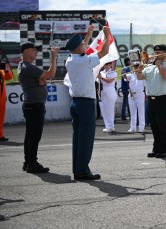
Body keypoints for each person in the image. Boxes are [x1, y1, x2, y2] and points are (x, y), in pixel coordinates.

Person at [64, 25, 110, 180]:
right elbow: (104, 52)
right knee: (86, 139)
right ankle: (82, 171)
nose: (86, 45)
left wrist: (89, 35)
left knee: (78, 138)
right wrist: (107, 34)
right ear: (78, 49)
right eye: (83, 45)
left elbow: (82, 49)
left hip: (76, 102)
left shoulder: (71, 59)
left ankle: (78, 169)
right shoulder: (84, 61)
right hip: (85, 103)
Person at [18, 42, 58, 173]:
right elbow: (51, 75)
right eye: (34, 50)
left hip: (32, 105)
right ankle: (32, 163)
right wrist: (53, 57)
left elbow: (44, 80)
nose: (36, 52)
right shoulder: (27, 67)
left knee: (30, 135)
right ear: (25, 51)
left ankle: (28, 161)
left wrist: (43, 80)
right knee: (34, 136)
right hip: (34, 105)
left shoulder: (24, 66)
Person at [136, 44, 166, 158]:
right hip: (151, 99)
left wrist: (159, 65)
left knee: (163, 125)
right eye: (156, 52)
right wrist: (139, 70)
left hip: (164, 98)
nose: (156, 54)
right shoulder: (149, 67)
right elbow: (140, 77)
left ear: (165, 55)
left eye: (159, 53)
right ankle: (156, 148)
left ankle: (163, 150)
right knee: (154, 126)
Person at [125, 62, 146, 133]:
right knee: (132, 112)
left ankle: (141, 127)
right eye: (134, 67)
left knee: (141, 111)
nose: (135, 68)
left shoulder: (142, 75)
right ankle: (132, 127)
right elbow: (125, 77)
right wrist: (124, 72)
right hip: (131, 94)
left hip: (139, 94)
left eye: (137, 66)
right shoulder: (131, 75)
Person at [97, 62, 117, 132]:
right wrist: (99, 77)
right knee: (104, 110)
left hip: (110, 90)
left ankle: (111, 126)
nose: (106, 66)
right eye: (105, 64)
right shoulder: (101, 72)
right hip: (102, 91)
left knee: (110, 110)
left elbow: (110, 81)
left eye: (107, 64)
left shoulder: (113, 72)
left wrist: (101, 77)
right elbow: (98, 81)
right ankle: (107, 126)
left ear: (110, 65)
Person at [0, 59, 13, 141]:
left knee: (0, 117)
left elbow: (9, 77)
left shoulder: (1, 71)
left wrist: (6, 70)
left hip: (1, 98)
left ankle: (0, 135)